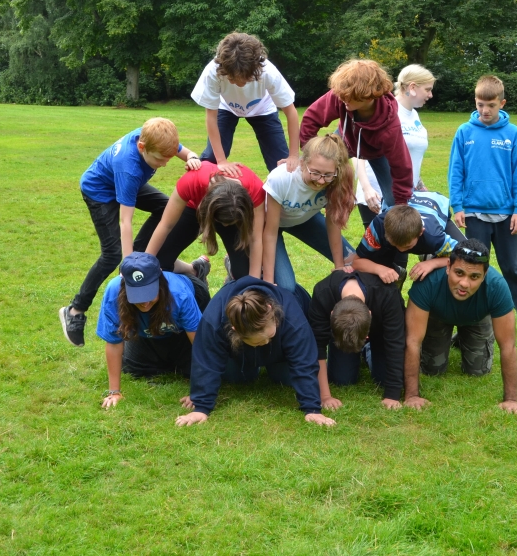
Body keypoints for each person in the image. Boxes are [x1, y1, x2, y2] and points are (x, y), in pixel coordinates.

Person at [60, 118, 201, 347]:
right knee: (112, 255)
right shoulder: (130, 168)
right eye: (159, 160)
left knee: (167, 209)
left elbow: (184, 151)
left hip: (122, 182)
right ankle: (75, 310)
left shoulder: (157, 137)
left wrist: (192, 157)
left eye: (168, 158)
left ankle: (169, 263)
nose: (164, 164)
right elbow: (126, 221)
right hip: (100, 191)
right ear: (142, 147)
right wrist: (129, 268)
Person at [448, 74, 517, 340]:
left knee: (512, 268)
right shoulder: (464, 132)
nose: (485, 110)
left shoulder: (512, 134)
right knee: (474, 269)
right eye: (480, 104)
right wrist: (457, 205)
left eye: (491, 105)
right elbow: (456, 171)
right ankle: (469, 328)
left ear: (501, 103)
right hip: (474, 214)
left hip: (505, 216)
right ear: (475, 101)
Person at [176, 277, 336, 427]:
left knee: (285, 379)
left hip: (282, 355)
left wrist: (312, 409)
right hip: (240, 353)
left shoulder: (292, 316)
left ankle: (270, 361)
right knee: (236, 378)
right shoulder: (214, 319)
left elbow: (305, 362)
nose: (265, 342)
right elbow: (206, 359)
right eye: (258, 342)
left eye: (270, 336)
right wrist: (201, 405)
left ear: (271, 310)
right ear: (235, 331)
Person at [403, 240, 517, 414]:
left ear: (484, 275)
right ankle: (453, 337)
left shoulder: (497, 286)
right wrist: (412, 396)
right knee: (432, 369)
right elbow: (412, 341)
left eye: (474, 277)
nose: (464, 283)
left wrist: (511, 400)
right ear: (448, 267)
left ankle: (463, 338)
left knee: (478, 371)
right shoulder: (427, 283)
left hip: (477, 318)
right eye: (459, 273)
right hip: (438, 317)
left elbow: (508, 346)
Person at [97, 253, 210, 408]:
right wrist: (114, 392)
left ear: (160, 282)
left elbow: (199, 343)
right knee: (134, 368)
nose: (145, 302)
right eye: (138, 295)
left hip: (191, 305)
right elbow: (114, 343)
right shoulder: (113, 292)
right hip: (154, 328)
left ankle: (198, 271)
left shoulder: (180, 294)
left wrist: (200, 391)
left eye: (149, 293)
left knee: (192, 368)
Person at [300, 59, 414, 208]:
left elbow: (401, 166)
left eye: (350, 97)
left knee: (395, 201)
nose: (343, 99)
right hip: (344, 139)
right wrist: (309, 155)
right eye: (342, 95)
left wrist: (401, 204)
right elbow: (312, 118)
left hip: (378, 152)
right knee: (315, 169)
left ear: (369, 96)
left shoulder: (389, 127)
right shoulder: (342, 94)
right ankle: (299, 207)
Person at [191, 32, 300, 176]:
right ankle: (200, 195)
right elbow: (211, 116)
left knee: (281, 166)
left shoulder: (267, 72)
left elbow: (290, 112)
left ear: (254, 71)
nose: (234, 83)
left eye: (240, 79)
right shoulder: (213, 71)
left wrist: (293, 155)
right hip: (227, 107)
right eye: (230, 77)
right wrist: (222, 160)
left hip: (263, 108)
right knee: (211, 160)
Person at [262, 134, 356, 292]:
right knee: (285, 286)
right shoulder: (282, 179)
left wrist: (339, 266)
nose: (320, 181)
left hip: (304, 219)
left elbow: (333, 223)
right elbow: (270, 233)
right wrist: (269, 282)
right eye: (315, 173)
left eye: (327, 175)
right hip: (271, 225)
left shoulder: (335, 180)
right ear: (302, 162)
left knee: (353, 262)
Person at [144, 160, 266, 282]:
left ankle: (232, 264)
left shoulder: (255, 189)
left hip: (234, 213)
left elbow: (255, 238)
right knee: (159, 262)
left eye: (228, 224)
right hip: (194, 209)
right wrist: (147, 263)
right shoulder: (192, 180)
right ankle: (195, 270)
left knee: (243, 274)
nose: (224, 225)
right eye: (221, 221)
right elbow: (166, 224)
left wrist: (253, 282)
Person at [308, 270, 405, 410]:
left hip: (381, 334)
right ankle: (353, 351)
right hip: (345, 333)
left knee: (384, 378)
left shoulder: (387, 293)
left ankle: (368, 350)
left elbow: (396, 343)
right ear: (332, 314)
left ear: (370, 315)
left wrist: (392, 395)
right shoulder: (323, 292)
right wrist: (325, 396)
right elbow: (317, 346)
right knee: (342, 379)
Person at [356, 64, 435, 225]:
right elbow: (357, 152)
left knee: (404, 247)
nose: (431, 95)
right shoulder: (385, 111)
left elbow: (409, 157)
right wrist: (366, 189)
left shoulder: (414, 115)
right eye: (427, 89)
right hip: (376, 196)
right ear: (412, 87)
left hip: (404, 195)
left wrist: (420, 187)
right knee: (388, 248)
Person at [352, 191, 464, 286]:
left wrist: (433, 263)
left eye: (407, 246)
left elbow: (467, 256)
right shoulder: (378, 226)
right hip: (402, 209)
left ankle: (430, 254)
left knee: (459, 265)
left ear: (421, 232)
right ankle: (397, 271)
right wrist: (379, 269)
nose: (401, 250)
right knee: (381, 273)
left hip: (435, 204)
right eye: (395, 245)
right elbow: (356, 262)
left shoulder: (434, 236)